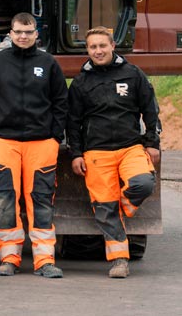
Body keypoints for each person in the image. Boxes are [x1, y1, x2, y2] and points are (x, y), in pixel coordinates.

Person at [0, 12, 68, 279]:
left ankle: (44, 259)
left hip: (41, 143)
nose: (23, 36)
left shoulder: (48, 63)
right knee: (4, 199)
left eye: (28, 32)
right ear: (10, 34)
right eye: (18, 32)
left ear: (36, 34)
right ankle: (9, 257)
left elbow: (62, 102)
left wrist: (54, 136)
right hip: (3, 141)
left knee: (41, 200)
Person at [67, 26, 161, 279]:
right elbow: (72, 122)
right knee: (104, 207)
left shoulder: (132, 74)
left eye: (102, 46)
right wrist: (76, 153)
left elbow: (150, 109)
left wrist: (152, 142)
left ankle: (119, 208)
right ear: (87, 50)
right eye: (92, 47)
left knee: (143, 184)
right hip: (96, 154)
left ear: (112, 46)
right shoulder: (81, 82)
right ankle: (119, 260)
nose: (98, 51)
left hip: (130, 147)